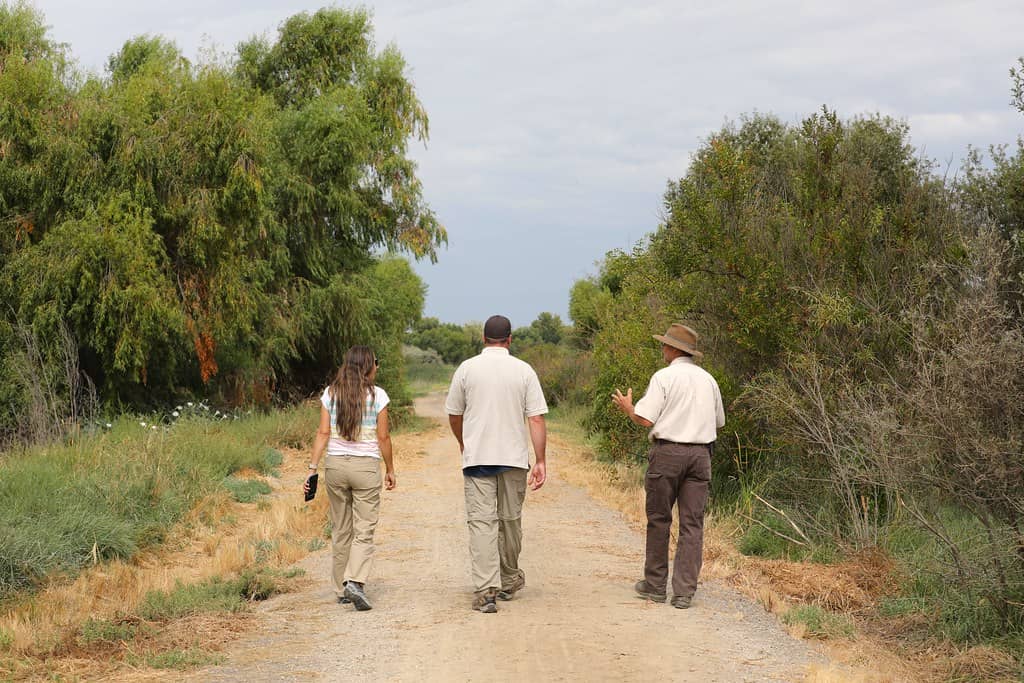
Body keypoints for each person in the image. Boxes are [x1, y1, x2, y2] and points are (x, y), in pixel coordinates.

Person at [611, 323, 725, 609]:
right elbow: (719, 421)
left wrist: (629, 409)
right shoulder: (709, 380)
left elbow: (646, 419)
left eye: (665, 344)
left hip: (668, 453)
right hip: (701, 455)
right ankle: (684, 591)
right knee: (692, 524)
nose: (662, 348)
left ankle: (655, 585)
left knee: (660, 519)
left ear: (674, 349)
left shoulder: (664, 377)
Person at [445, 315, 548, 613]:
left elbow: (454, 413)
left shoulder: (467, 369)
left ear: (483, 337)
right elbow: (536, 418)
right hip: (514, 459)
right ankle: (509, 576)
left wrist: (464, 442)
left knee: (481, 522)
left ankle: (486, 590)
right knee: (510, 521)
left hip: (478, 458)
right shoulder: (524, 371)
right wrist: (540, 460)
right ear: (510, 338)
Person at [304, 345, 396, 611]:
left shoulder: (330, 393)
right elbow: (383, 438)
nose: (377, 366)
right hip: (365, 467)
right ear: (368, 366)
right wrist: (390, 469)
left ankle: (340, 588)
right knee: (364, 529)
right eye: (376, 362)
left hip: (335, 466)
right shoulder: (378, 396)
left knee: (341, 528)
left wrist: (312, 468)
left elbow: (322, 434)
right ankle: (355, 580)